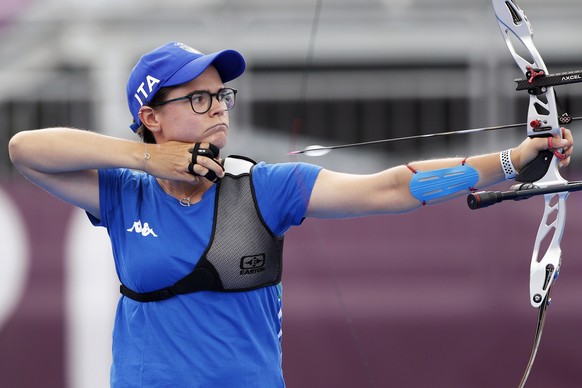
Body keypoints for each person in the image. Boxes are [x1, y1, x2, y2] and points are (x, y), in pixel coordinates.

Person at [8, 41, 574, 387]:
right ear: (151, 116)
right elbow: (24, 150)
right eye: (197, 99)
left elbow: (391, 189)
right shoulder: (122, 193)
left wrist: (513, 159)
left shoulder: (264, 189)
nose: (218, 111)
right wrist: (147, 158)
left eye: (221, 96)